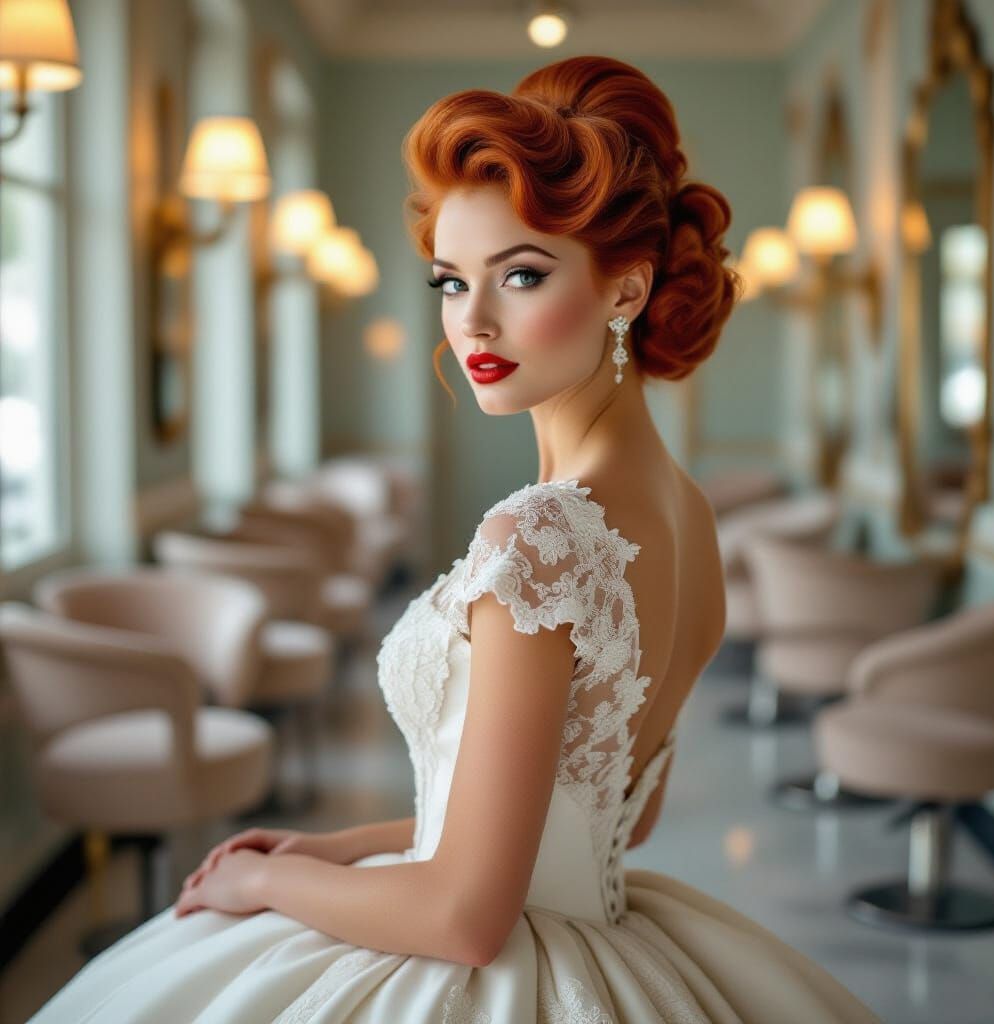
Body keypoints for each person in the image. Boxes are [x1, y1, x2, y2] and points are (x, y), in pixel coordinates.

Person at [28, 56, 881, 1023]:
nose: (471, 319)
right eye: (450, 279)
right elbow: (609, 819)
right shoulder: (687, 515)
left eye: (521, 274)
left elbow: (470, 919)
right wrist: (333, 851)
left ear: (625, 292)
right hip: (605, 938)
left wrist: (263, 889)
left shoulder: (542, 536)